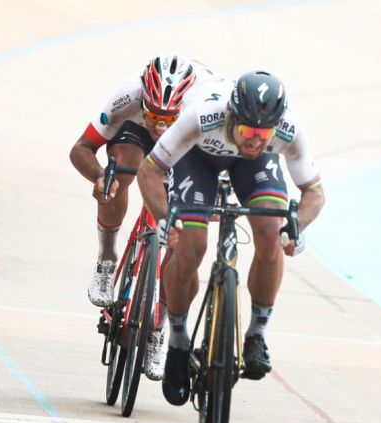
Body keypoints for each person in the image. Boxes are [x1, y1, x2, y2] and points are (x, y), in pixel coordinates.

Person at [136, 71, 325, 405]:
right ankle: (178, 341)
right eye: (247, 131)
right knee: (191, 246)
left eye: (263, 134)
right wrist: (165, 217)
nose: (254, 140)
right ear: (232, 116)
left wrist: (297, 226)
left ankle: (257, 334)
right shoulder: (201, 116)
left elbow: (313, 192)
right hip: (197, 160)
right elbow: (148, 170)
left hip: (252, 169)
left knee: (270, 232)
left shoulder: (288, 129)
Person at [69, 54, 214, 380]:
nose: (160, 126)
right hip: (133, 132)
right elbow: (80, 148)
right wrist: (99, 177)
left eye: (167, 118)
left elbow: (219, 162)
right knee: (117, 174)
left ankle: (161, 324)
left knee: (186, 238)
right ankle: (107, 259)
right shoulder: (127, 97)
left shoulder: (205, 103)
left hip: (189, 136)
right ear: (144, 100)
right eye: (155, 115)